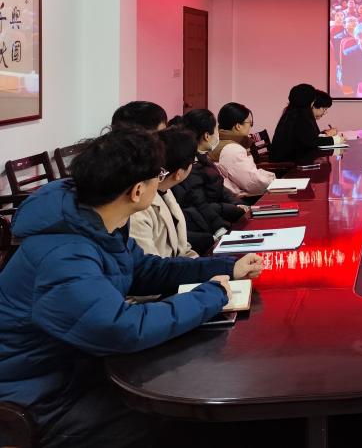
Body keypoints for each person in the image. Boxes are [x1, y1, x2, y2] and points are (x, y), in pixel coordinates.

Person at [0, 127, 263, 448]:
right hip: (39, 399)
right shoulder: (64, 252)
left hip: (78, 369)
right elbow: (120, 329)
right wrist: (211, 296)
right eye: (158, 176)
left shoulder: (93, 220)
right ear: (138, 191)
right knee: (185, 420)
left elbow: (143, 269)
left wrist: (224, 268)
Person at [170, 109, 249, 253]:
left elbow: (221, 189)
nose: (218, 135)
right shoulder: (190, 165)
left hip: (217, 217)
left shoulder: (203, 157)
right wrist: (223, 224)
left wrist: (237, 203)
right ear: (207, 135)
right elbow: (200, 205)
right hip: (210, 225)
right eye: (216, 130)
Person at [128, 126, 201, 258]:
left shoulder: (165, 192)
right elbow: (151, 265)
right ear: (178, 173)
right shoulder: (137, 210)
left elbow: (182, 248)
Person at [211, 102, 276, 198]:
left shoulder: (216, 143)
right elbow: (254, 184)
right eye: (250, 123)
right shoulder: (232, 149)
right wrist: (272, 178)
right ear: (238, 126)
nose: (250, 127)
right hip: (240, 201)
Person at [270, 83, 338, 163]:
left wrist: (326, 135)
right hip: (287, 166)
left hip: (291, 161)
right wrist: (335, 140)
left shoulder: (294, 113)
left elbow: (309, 138)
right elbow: (311, 142)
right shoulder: (300, 117)